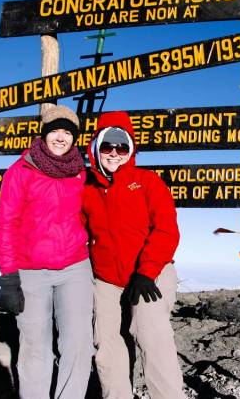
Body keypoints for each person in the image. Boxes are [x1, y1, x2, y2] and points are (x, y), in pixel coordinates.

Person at [82, 111, 187, 399]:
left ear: (131, 149)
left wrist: (146, 270)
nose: (114, 153)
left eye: (121, 147)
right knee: (107, 346)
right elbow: (77, 232)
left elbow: (167, 230)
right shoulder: (87, 188)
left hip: (150, 274)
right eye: (107, 146)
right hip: (107, 280)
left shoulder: (147, 181)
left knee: (151, 337)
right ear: (96, 148)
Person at [0, 105, 93, 399]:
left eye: (68, 132)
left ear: (75, 138)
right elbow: (6, 224)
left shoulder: (80, 172)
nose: (61, 137)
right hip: (31, 272)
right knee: (35, 347)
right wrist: (8, 279)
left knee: (78, 344)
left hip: (75, 268)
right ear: (44, 133)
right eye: (55, 130)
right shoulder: (21, 170)